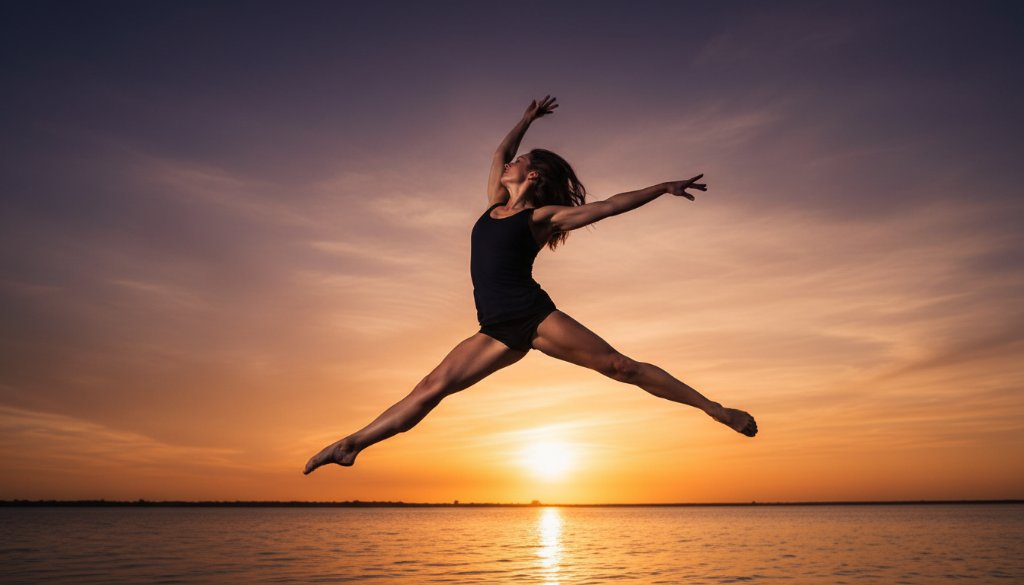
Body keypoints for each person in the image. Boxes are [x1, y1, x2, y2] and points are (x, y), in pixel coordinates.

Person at [303, 95, 756, 475]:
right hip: (495, 329)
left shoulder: (540, 218)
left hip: (534, 317)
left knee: (622, 367)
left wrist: (662, 187)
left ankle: (715, 410)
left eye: (519, 163)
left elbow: (611, 206)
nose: (508, 164)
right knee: (430, 387)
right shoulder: (494, 204)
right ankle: (352, 445)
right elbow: (498, 154)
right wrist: (525, 121)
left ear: (532, 175)